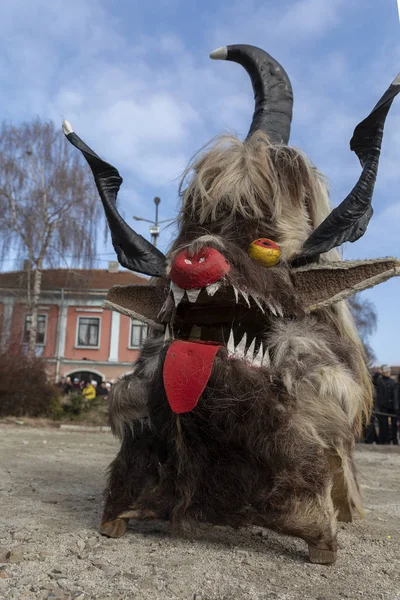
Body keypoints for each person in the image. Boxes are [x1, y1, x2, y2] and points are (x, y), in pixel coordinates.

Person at [376, 366, 397, 444]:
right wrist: (377, 374)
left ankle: (394, 439)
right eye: (386, 371)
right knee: (383, 424)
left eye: (388, 371)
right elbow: (374, 380)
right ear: (383, 372)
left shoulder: (393, 382)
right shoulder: (379, 380)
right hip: (383, 405)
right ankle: (384, 439)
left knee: (393, 424)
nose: (388, 373)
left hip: (392, 406)